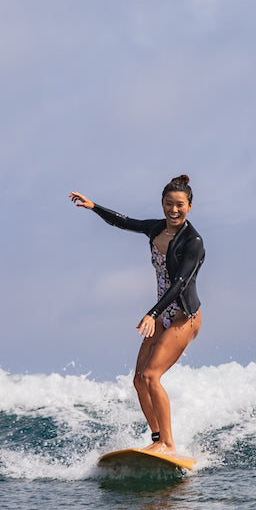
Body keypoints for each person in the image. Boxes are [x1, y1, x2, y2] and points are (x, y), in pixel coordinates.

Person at [69, 175, 205, 456]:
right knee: (139, 379)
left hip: (183, 315)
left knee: (153, 375)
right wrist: (94, 207)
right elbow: (124, 221)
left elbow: (179, 283)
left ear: (190, 206)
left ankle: (168, 444)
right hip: (160, 313)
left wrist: (152, 313)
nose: (174, 210)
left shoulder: (193, 242)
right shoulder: (156, 229)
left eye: (180, 205)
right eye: (169, 204)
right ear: (162, 204)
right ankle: (157, 438)